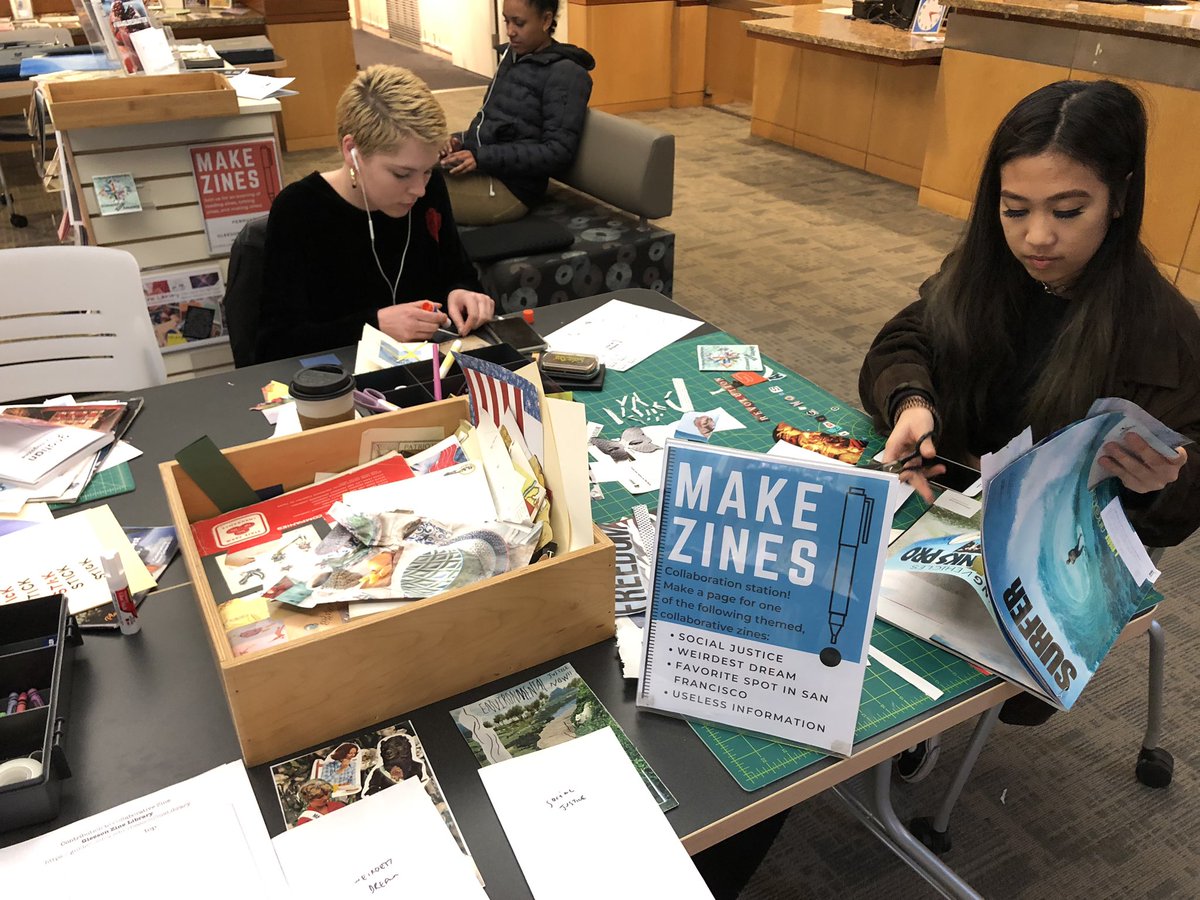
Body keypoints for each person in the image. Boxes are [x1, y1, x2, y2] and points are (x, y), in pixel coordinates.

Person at [859, 80, 1200, 760]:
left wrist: (1157, 483)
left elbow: (1172, 517)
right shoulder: (990, 269)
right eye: (1014, 210)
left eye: (1069, 211)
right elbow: (904, 342)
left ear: (1119, 198)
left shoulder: (1165, 336)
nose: (1036, 238)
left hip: (1050, 563)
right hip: (944, 511)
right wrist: (913, 402)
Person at [256, 66, 494, 364]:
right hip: (344, 385)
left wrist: (463, 293)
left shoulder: (426, 188)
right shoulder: (299, 210)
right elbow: (275, 344)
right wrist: (374, 325)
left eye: (428, 170)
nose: (419, 190)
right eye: (401, 174)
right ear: (351, 150)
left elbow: (457, 272)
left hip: (431, 373)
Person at [440, 0, 594, 225]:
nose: (510, 32)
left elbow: (558, 152)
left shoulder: (567, 74)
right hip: (487, 170)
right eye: (507, 21)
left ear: (546, 20)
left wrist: (481, 157)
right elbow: (491, 123)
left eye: (519, 23)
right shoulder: (511, 58)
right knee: (404, 168)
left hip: (512, 190)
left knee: (412, 191)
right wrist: (459, 142)